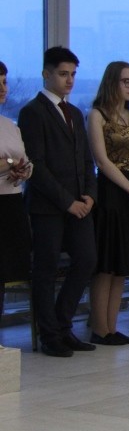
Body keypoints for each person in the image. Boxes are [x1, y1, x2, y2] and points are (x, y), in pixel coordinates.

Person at [18, 47, 99, 357]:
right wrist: (68, 202)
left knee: (87, 260)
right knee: (46, 268)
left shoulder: (75, 112)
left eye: (73, 74)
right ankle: (50, 334)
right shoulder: (33, 112)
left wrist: (89, 194)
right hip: (48, 207)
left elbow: (86, 160)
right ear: (46, 74)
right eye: (63, 74)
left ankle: (63, 325)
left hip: (80, 203)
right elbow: (36, 165)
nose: (70, 80)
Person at [85, 61, 129, 345]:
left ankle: (112, 328)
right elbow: (101, 161)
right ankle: (100, 329)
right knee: (107, 264)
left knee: (121, 264)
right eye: (126, 81)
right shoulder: (97, 114)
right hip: (113, 191)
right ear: (112, 82)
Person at [0, 60, 33, 313]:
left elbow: (25, 160)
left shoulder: (9, 125)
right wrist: (10, 163)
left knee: (5, 273)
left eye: (4, 82)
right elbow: (9, 161)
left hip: (11, 202)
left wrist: (23, 170)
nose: (3, 89)